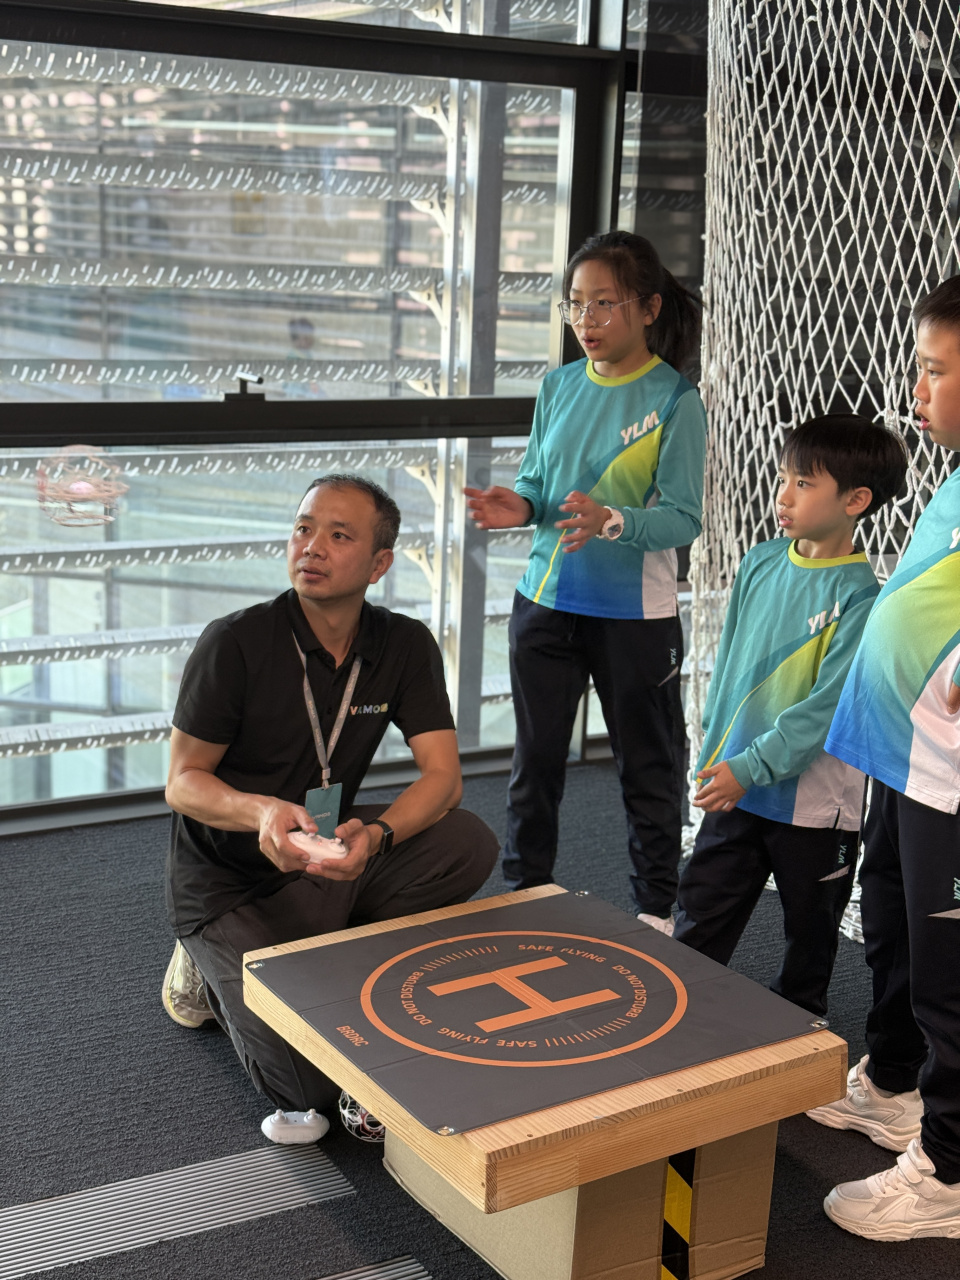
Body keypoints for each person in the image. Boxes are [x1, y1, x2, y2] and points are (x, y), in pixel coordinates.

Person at [161, 474, 499, 1140]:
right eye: (303, 528)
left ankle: (327, 943)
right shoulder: (236, 642)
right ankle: (201, 964)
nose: (311, 547)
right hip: (227, 881)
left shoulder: (404, 644)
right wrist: (262, 812)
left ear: (379, 564)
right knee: (312, 1086)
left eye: (339, 535)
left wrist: (377, 835)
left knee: (467, 843)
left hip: (323, 851)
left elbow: (443, 779)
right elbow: (182, 782)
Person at [466, 230, 706, 932]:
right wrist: (519, 507)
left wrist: (612, 522)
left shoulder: (676, 401)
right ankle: (525, 892)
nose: (587, 320)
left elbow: (683, 519)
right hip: (544, 603)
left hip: (635, 618)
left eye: (605, 303)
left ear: (649, 308)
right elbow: (538, 487)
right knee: (534, 765)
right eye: (575, 304)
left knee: (647, 767)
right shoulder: (558, 386)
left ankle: (655, 910)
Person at [806, 277, 960, 1240]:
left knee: (950, 974)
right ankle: (895, 1085)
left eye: (936, 370)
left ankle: (948, 1174)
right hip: (903, 755)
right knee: (894, 932)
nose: (917, 390)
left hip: (952, 779)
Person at [672, 415, 908, 1018]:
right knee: (698, 919)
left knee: (809, 936)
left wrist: (750, 767)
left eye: (803, 483)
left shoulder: (863, 597)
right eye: (784, 478)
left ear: (856, 501)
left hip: (814, 811)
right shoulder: (759, 562)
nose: (783, 495)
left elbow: (824, 712)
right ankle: (673, 1031)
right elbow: (729, 669)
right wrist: (718, 754)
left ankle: (800, 1036)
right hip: (735, 785)